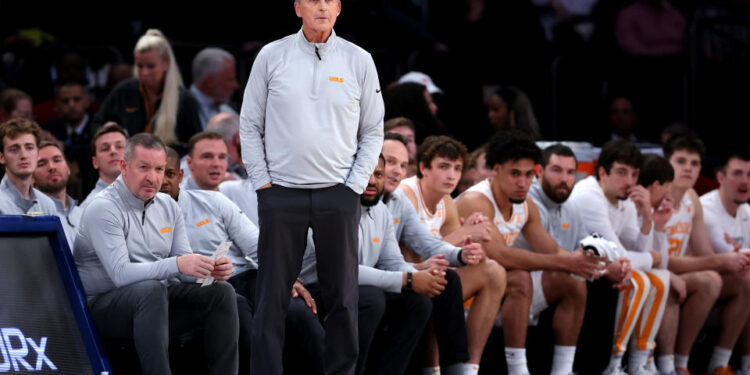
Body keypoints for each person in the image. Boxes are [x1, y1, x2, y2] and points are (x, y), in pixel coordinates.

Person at [239, 0, 385, 373]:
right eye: (313, 0)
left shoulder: (359, 60)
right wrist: (263, 184)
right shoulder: (271, 56)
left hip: (338, 193)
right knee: (271, 300)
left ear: (338, 8)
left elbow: (372, 131)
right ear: (297, 7)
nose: (321, 6)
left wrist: (353, 186)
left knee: (343, 298)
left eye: (328, 0)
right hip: (281, 193)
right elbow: (249, 125)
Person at [73, 133, 239, 374]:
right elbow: (120, 274)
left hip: (154, 303)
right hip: (103, 308)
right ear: (124, 167)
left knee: (221, 292)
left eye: (160, 169)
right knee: (151, 288)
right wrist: (178, 264)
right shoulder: (103, 208)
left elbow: (184, 271)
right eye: (144, 168)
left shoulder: (168, 205)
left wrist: (209, 269)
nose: (153, 178)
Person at [456, 130, 604, 375]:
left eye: (528, 174)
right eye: (515, 174)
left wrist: (584, 263)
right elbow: (501, 255)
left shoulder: (526, 205)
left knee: (574, 281)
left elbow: (553, 251)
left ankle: (562, 371)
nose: (523, 183)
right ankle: (515, 369)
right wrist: (566, 261)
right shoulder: (477, 200)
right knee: (517, 277)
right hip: (462, 293)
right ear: (496, 170)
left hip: (497, 289)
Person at [299, 155, 453, 375]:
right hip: (314, 291)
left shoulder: (380, 210)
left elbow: (392, 261)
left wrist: (423, 277)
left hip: (357, 289)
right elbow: (341, 271)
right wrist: (409, 279)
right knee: (371, 299)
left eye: (378, 174)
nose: (372, 181)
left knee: (417, 302)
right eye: (365, 173)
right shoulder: (327, 210)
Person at [390, 135, 504, 374]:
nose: (452, 175)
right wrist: (464, 232)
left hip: (428, 277)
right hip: (402, 278)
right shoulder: (406, 194)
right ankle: (434, 368)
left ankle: (469, 368)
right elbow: (408, 258)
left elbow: (453, 253)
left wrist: (471, 244)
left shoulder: (446, 202)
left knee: (493, 271)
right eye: (444, 167)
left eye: (457, 168)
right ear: (423, 168)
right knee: (443, 280)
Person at [567, 140, 670, 375]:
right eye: (622, 173)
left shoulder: (625, 198)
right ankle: (613, 363)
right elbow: (621, 255)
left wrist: (646, 216)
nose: (630, 182)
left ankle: (638, 362)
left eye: (634, 174)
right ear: (602, 172)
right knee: (638, 280)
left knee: (662, 277)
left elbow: (636, 245)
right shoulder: (589, 196)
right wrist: (651, 258)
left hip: (600, 268)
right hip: (576, 268)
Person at [654, 135, 739, 375]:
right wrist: (721, 261)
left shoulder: (692, 198)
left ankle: (719, 364)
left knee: (744, 280)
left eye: (694, 163)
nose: (688, 168)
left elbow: (705, 252)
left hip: (677, 273)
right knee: (709, 279)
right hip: (654, 270)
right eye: (681, 161)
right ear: (666, 162)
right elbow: (657, 257)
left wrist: (734, 260)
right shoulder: (656, 193)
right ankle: (672, 365)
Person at [93, 29, 201, 147]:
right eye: (140, 66)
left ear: (166, 64)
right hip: (127, 161)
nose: (144, 72)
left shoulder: (184, 99)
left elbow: (194, 144)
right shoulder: (123, 91)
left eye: (150, 66)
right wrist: (107, 130)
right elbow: (96, 123)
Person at [700, 148, 750, 375]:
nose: (745, 182)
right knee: (747, 279)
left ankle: (745, 365)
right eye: (738, 173)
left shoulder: (747, 211)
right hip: (703, 284)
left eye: (749, 175)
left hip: (731, 282)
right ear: (720, 177)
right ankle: (718, 364)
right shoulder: (706, 209)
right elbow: (727, 258)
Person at [43, 81, 97, 196]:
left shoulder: (98, 126)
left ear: (87, 101)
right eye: (65, 101)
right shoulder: (51, 128)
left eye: (76, 99)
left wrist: (61, 147)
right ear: (57, 105)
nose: (71, 105)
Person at [0, 119, 56, 215]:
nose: (24, 155)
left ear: (38, 154)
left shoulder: (47, 205)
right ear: (2, 157)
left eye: (29, 148)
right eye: (14, 149)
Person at [33, 141, 81, 247]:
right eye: (41, 164)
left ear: (68, 169)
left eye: (57, 160)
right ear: (31, 177)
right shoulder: (33, 218)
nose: (51, 167)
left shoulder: (84, 214)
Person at [79, 123, 128, 208]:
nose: (113, 151)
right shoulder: (90, 206)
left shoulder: (146, 196)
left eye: (119, 146)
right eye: (105, 148)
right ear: (95, 162)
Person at [190, 48, 239, 128]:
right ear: (209, 82)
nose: (235, 85)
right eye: (230, 80)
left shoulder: (227, 112)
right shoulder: (178, 110)